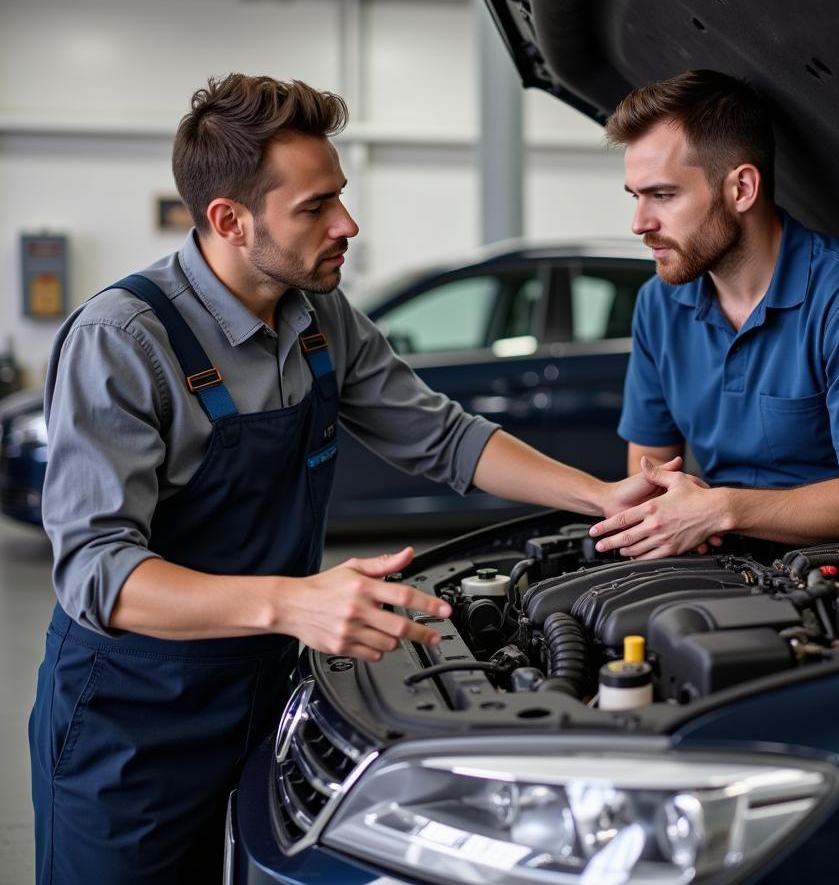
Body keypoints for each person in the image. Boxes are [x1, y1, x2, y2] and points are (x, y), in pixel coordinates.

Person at [28, 74, 664, 885]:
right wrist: (296, 601)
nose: (347, 225)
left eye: (342, 197)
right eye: (315, 207)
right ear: (229, 219)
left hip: (270, 696)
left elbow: (443, 435)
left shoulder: (318, 315)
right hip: (134, 719)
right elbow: (96, 573)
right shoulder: (122, 340)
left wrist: (601, 496)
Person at [588, 69, 839, 559]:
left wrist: (720, 508)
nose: (640, 223)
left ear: (742, 188)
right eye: (635, 196)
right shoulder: (657, 304)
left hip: (833, 573)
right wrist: (677, 518)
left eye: (662, 195)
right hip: (711, 555)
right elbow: (648, 473)